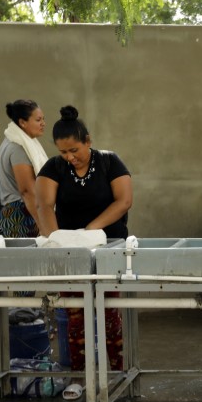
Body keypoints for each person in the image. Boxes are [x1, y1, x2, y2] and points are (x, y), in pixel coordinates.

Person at [36, 105, 133, 371]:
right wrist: (57, 241)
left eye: (74, 150)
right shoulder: (54, 167)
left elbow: (123, 201)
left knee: (109, 310)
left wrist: (91, 231)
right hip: (71, 253)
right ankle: (79, 376)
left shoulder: (109, 162)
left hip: (109, 248)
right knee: (74, 313)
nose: (69, 157)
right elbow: (44, 206)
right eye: (63, 152)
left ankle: (115, 371)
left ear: (88, 141)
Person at [0, 99, 49, 237]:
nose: (43, 123)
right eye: (38, 120)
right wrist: (43, 225)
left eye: (43, 119)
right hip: (21, 216)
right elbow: (27, 191)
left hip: (21, 212)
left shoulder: (12, 142)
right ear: (22, 122)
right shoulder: (18, 147)